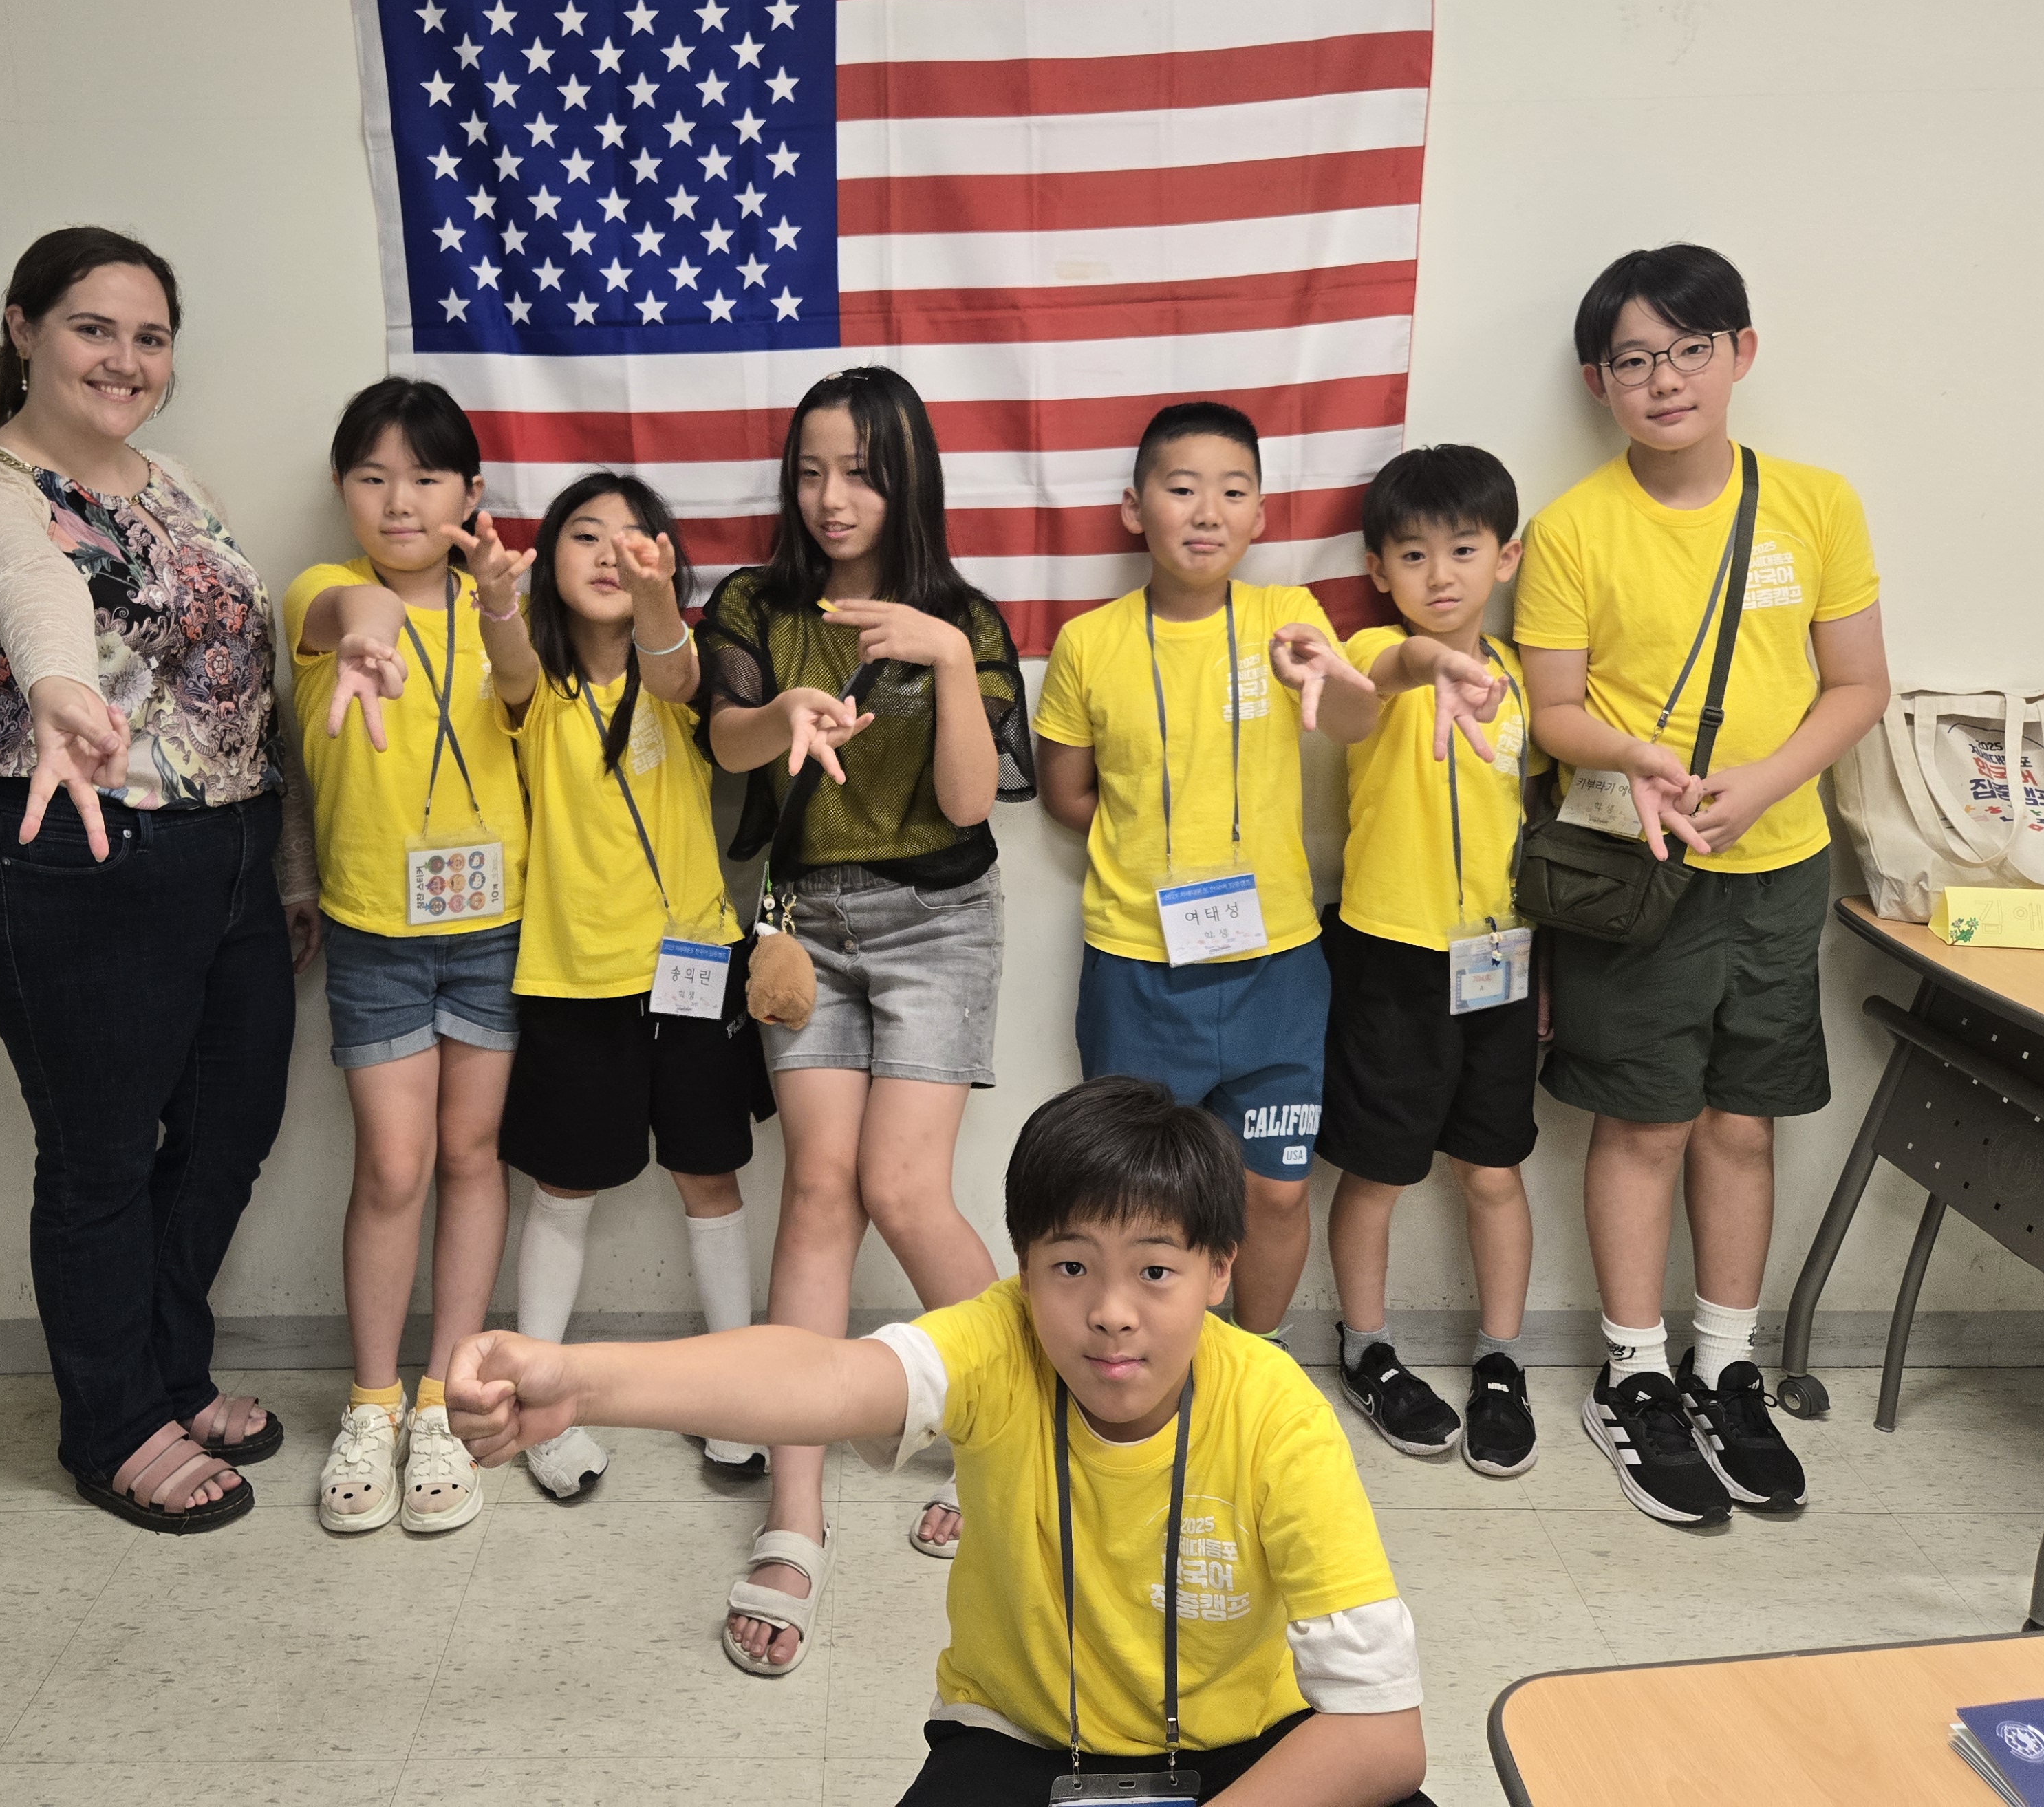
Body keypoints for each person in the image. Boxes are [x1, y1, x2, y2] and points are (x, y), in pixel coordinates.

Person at [448, 1077, 1435, 1807]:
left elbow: (1384, 1736)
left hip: (1245, 1748)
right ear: (1024, 1268)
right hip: (1022, 1742)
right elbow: (825, 1377)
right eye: (1071, 1266)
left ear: (1220, 1271)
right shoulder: (999, 1341)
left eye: (1155, 1271)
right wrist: (580, 1381)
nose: (1111, 1312)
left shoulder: (1278, 1415)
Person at [0, 226, 316, 1533]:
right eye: (94, 327)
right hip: (64, 861)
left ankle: (167, 1376)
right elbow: (29, 581)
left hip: (228, 858)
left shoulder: (174, 487)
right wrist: (62, 687)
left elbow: (242, 687)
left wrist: (287, 867)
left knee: (230, 1130)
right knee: (101, 1156)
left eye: (150, 336)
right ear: (22, 328)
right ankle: (113, 1424)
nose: (124, 359)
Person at [1516, 244, 1887, 1526]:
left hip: (1781, 873)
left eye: (1689, 349)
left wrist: (1767, 783)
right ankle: (1632, 1373)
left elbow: (1858, 684)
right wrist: (1638, 761)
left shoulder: (1816, 505)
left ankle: (1726, 1364)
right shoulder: (1572, 529)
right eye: (1634, 359)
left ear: (1741, 352)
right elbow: (1553, 711)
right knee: (1644, 1126)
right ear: (1598, 382)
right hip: (1640, 874)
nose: (1664, 379)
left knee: (1742, 1123)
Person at [695, 365, 1037, 1674]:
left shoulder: (966, 619)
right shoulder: (756, 603)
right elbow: (725, 743)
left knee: (903, 1187)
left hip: (939, 920)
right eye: (811, 471)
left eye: (860, 472)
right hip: (806, 930)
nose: (832, 498)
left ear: (908, 479)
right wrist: (780, 714)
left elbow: (968, 803)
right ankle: (795, 1517)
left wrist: (943, 656)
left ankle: (1019, 1440)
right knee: (819, 1191)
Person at [1035, 400, 1379, 1351]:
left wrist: (1327, 679)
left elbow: (1355, 724)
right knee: (1134, 1201)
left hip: (1278, 965)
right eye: (1181, 488)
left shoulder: (1286, 618)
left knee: (1276, 1190)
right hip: (1137, 967)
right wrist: (1153, 846)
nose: (1206, 511)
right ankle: (1144, 1364)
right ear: (1134, 508)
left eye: (1233, 492)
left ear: (1260, 516)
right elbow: (1065, 793)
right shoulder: (1090, 642)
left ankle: (1253, 1363)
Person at [483, 470, 776, 1500]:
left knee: (711, 1179)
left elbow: (674, 668)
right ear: (550, 560)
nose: (611, 552)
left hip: (697, 967)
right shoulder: (536, 687)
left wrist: (659, 599)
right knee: (564, 1188)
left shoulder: (684, 677)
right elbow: (509, 664)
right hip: (572, 980)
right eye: (586, 535)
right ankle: (538, 1400)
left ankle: (735, 1395)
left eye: (637, 538)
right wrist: (496, 601)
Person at [281, 378, 531, 1537]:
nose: (399, 501)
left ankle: (445, 1396)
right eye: (373, 476)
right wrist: (373, 632)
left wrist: (501, 610)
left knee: (473, 1156)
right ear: (341, 488)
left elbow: (522, 692)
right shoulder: (320, 594)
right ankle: (371, 1402)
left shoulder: (497, 609)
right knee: (393, 1168)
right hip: (377, 929)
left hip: (495, 927)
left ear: (470, 494)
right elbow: (352, 614)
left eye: (427, 478)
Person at [1317, 446, 1539, 1475]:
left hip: (1500, 957)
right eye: (1413, 555)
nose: (1440, 575)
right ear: (1378, 568)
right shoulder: (1374, 651)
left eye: (1463, 549)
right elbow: (1371, 685)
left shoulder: (1524, 681)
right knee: (1378, 1171)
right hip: (1389, 955)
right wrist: (1427, 664)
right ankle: (1366, 1347)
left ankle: (1502, 1358)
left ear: (1506, 557)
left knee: (1493, 1169)